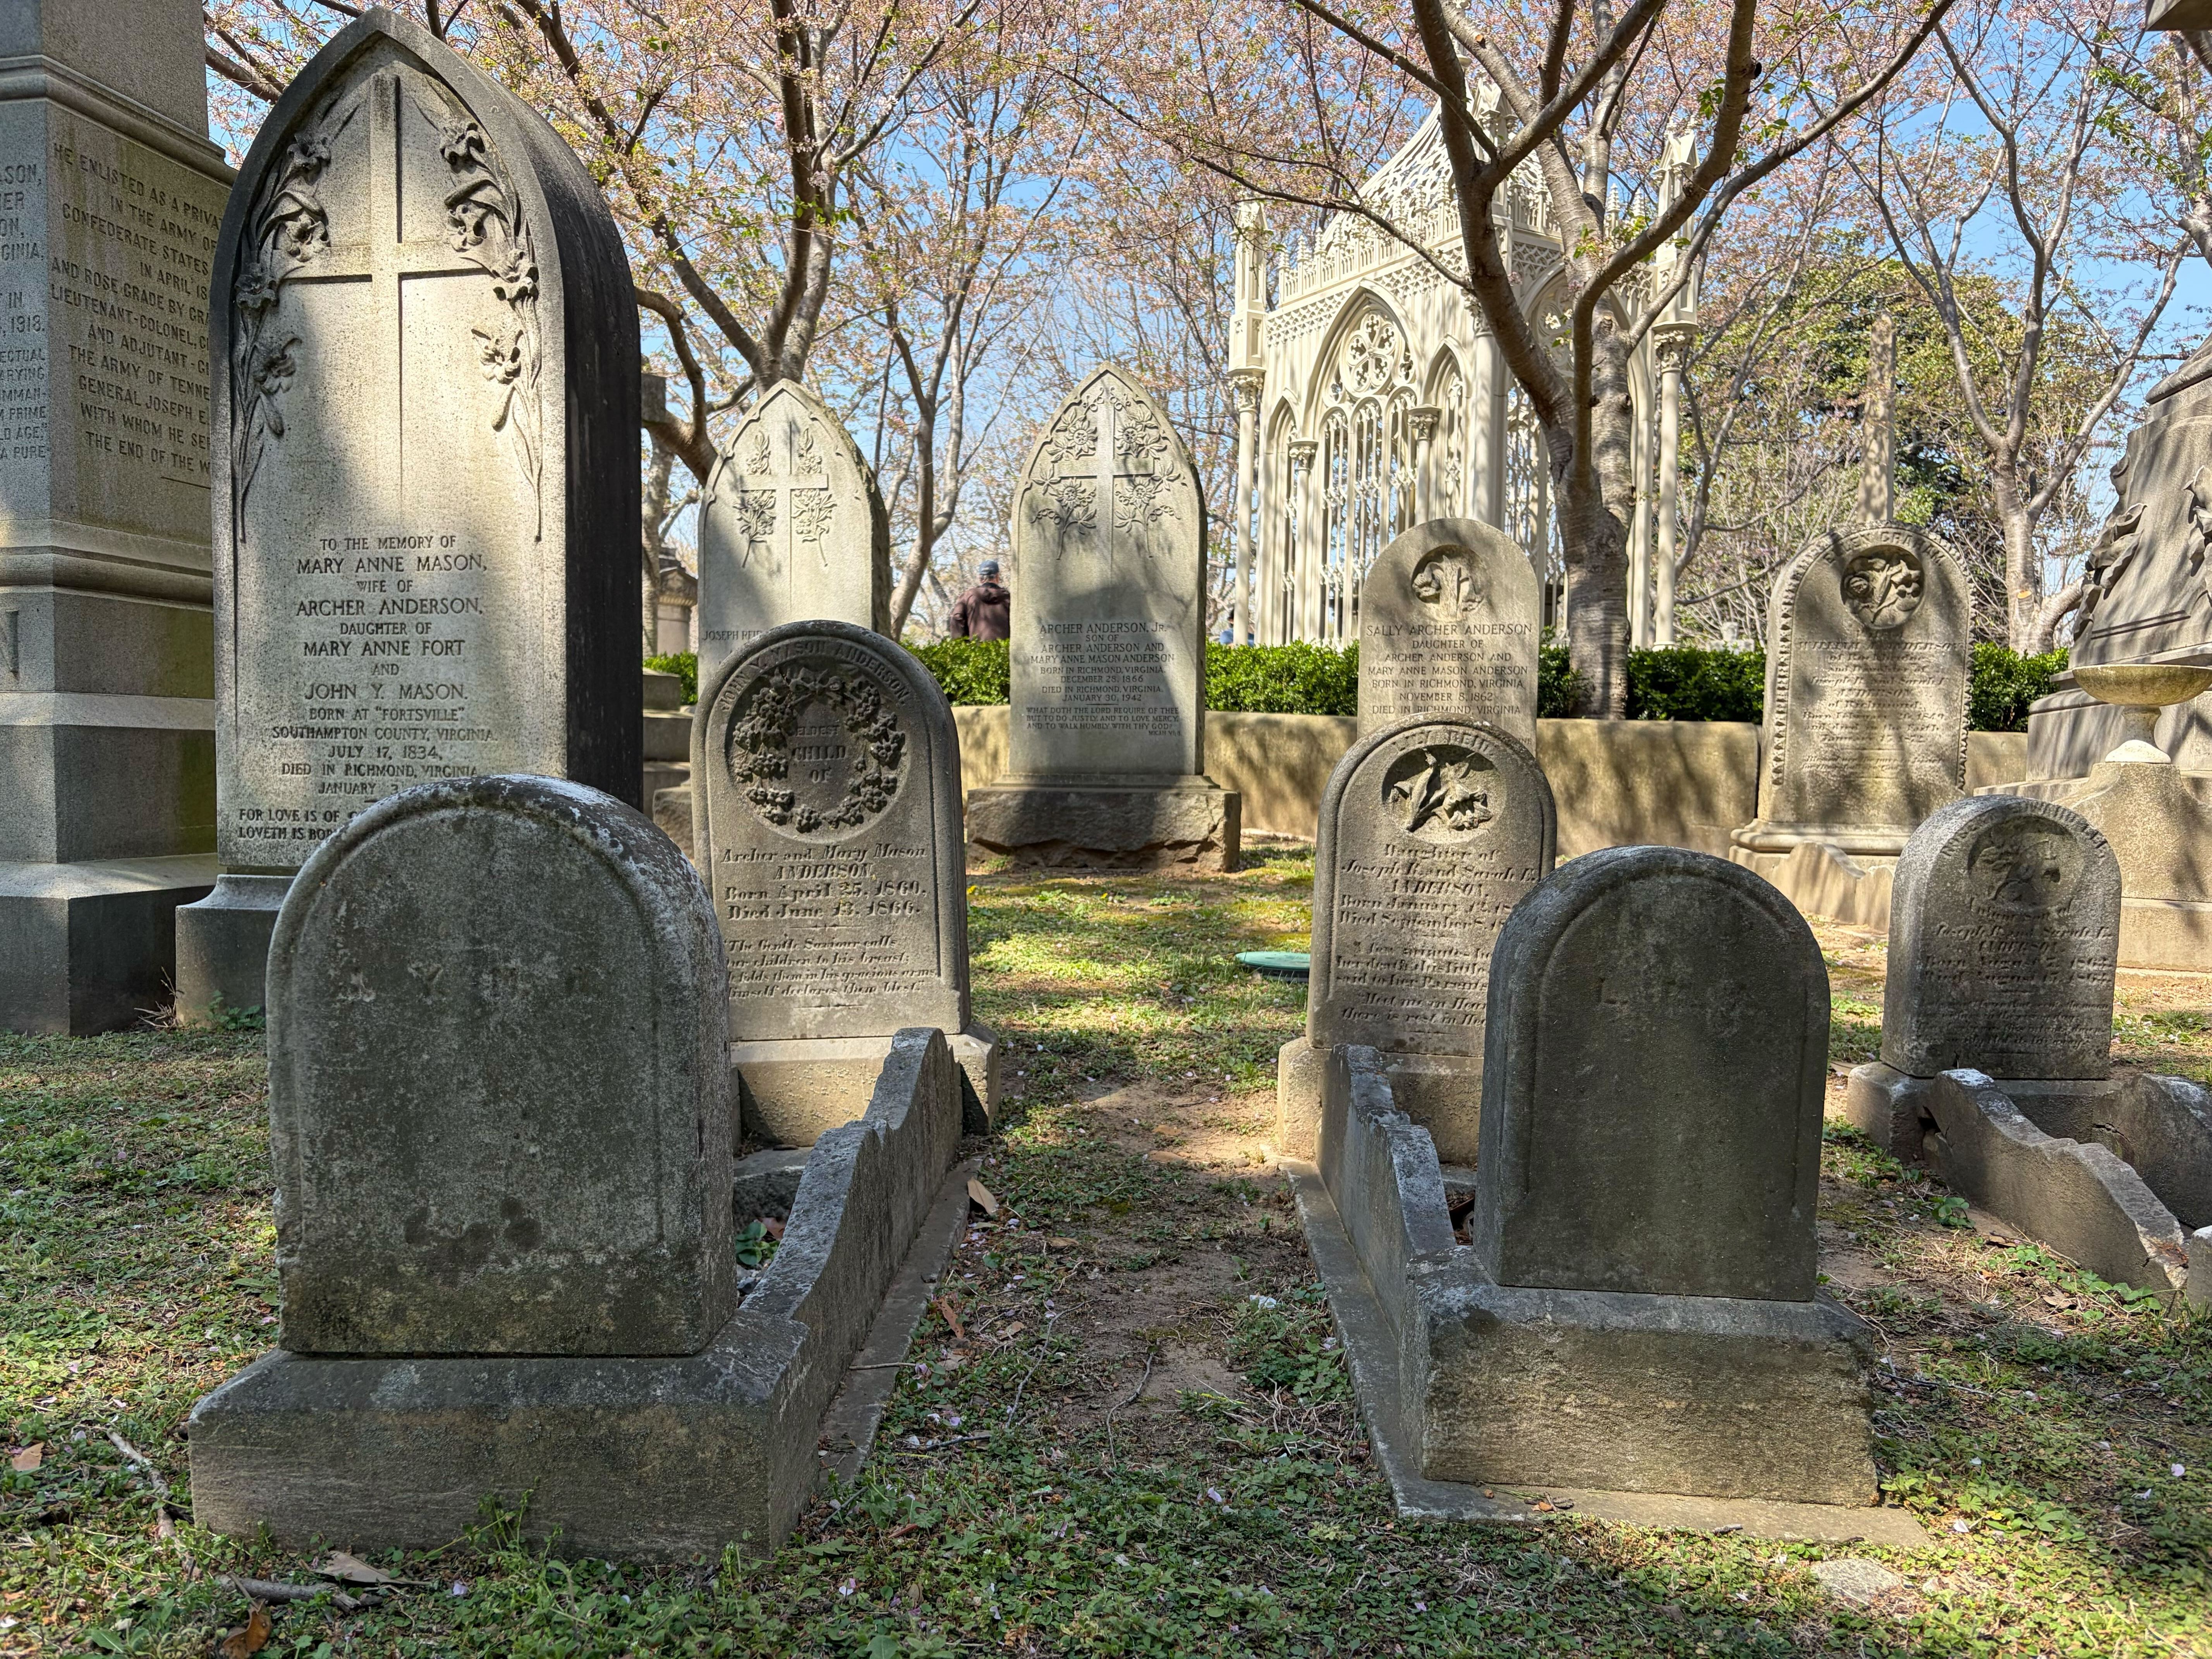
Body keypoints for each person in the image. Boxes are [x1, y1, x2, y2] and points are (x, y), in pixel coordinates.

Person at [948, 560, 1010, 640]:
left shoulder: (968, 596)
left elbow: (957, 620)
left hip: (976, 647)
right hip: (1005, 647)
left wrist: (965, 645)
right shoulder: (1008, 598)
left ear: (981, 579)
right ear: (998, 577)